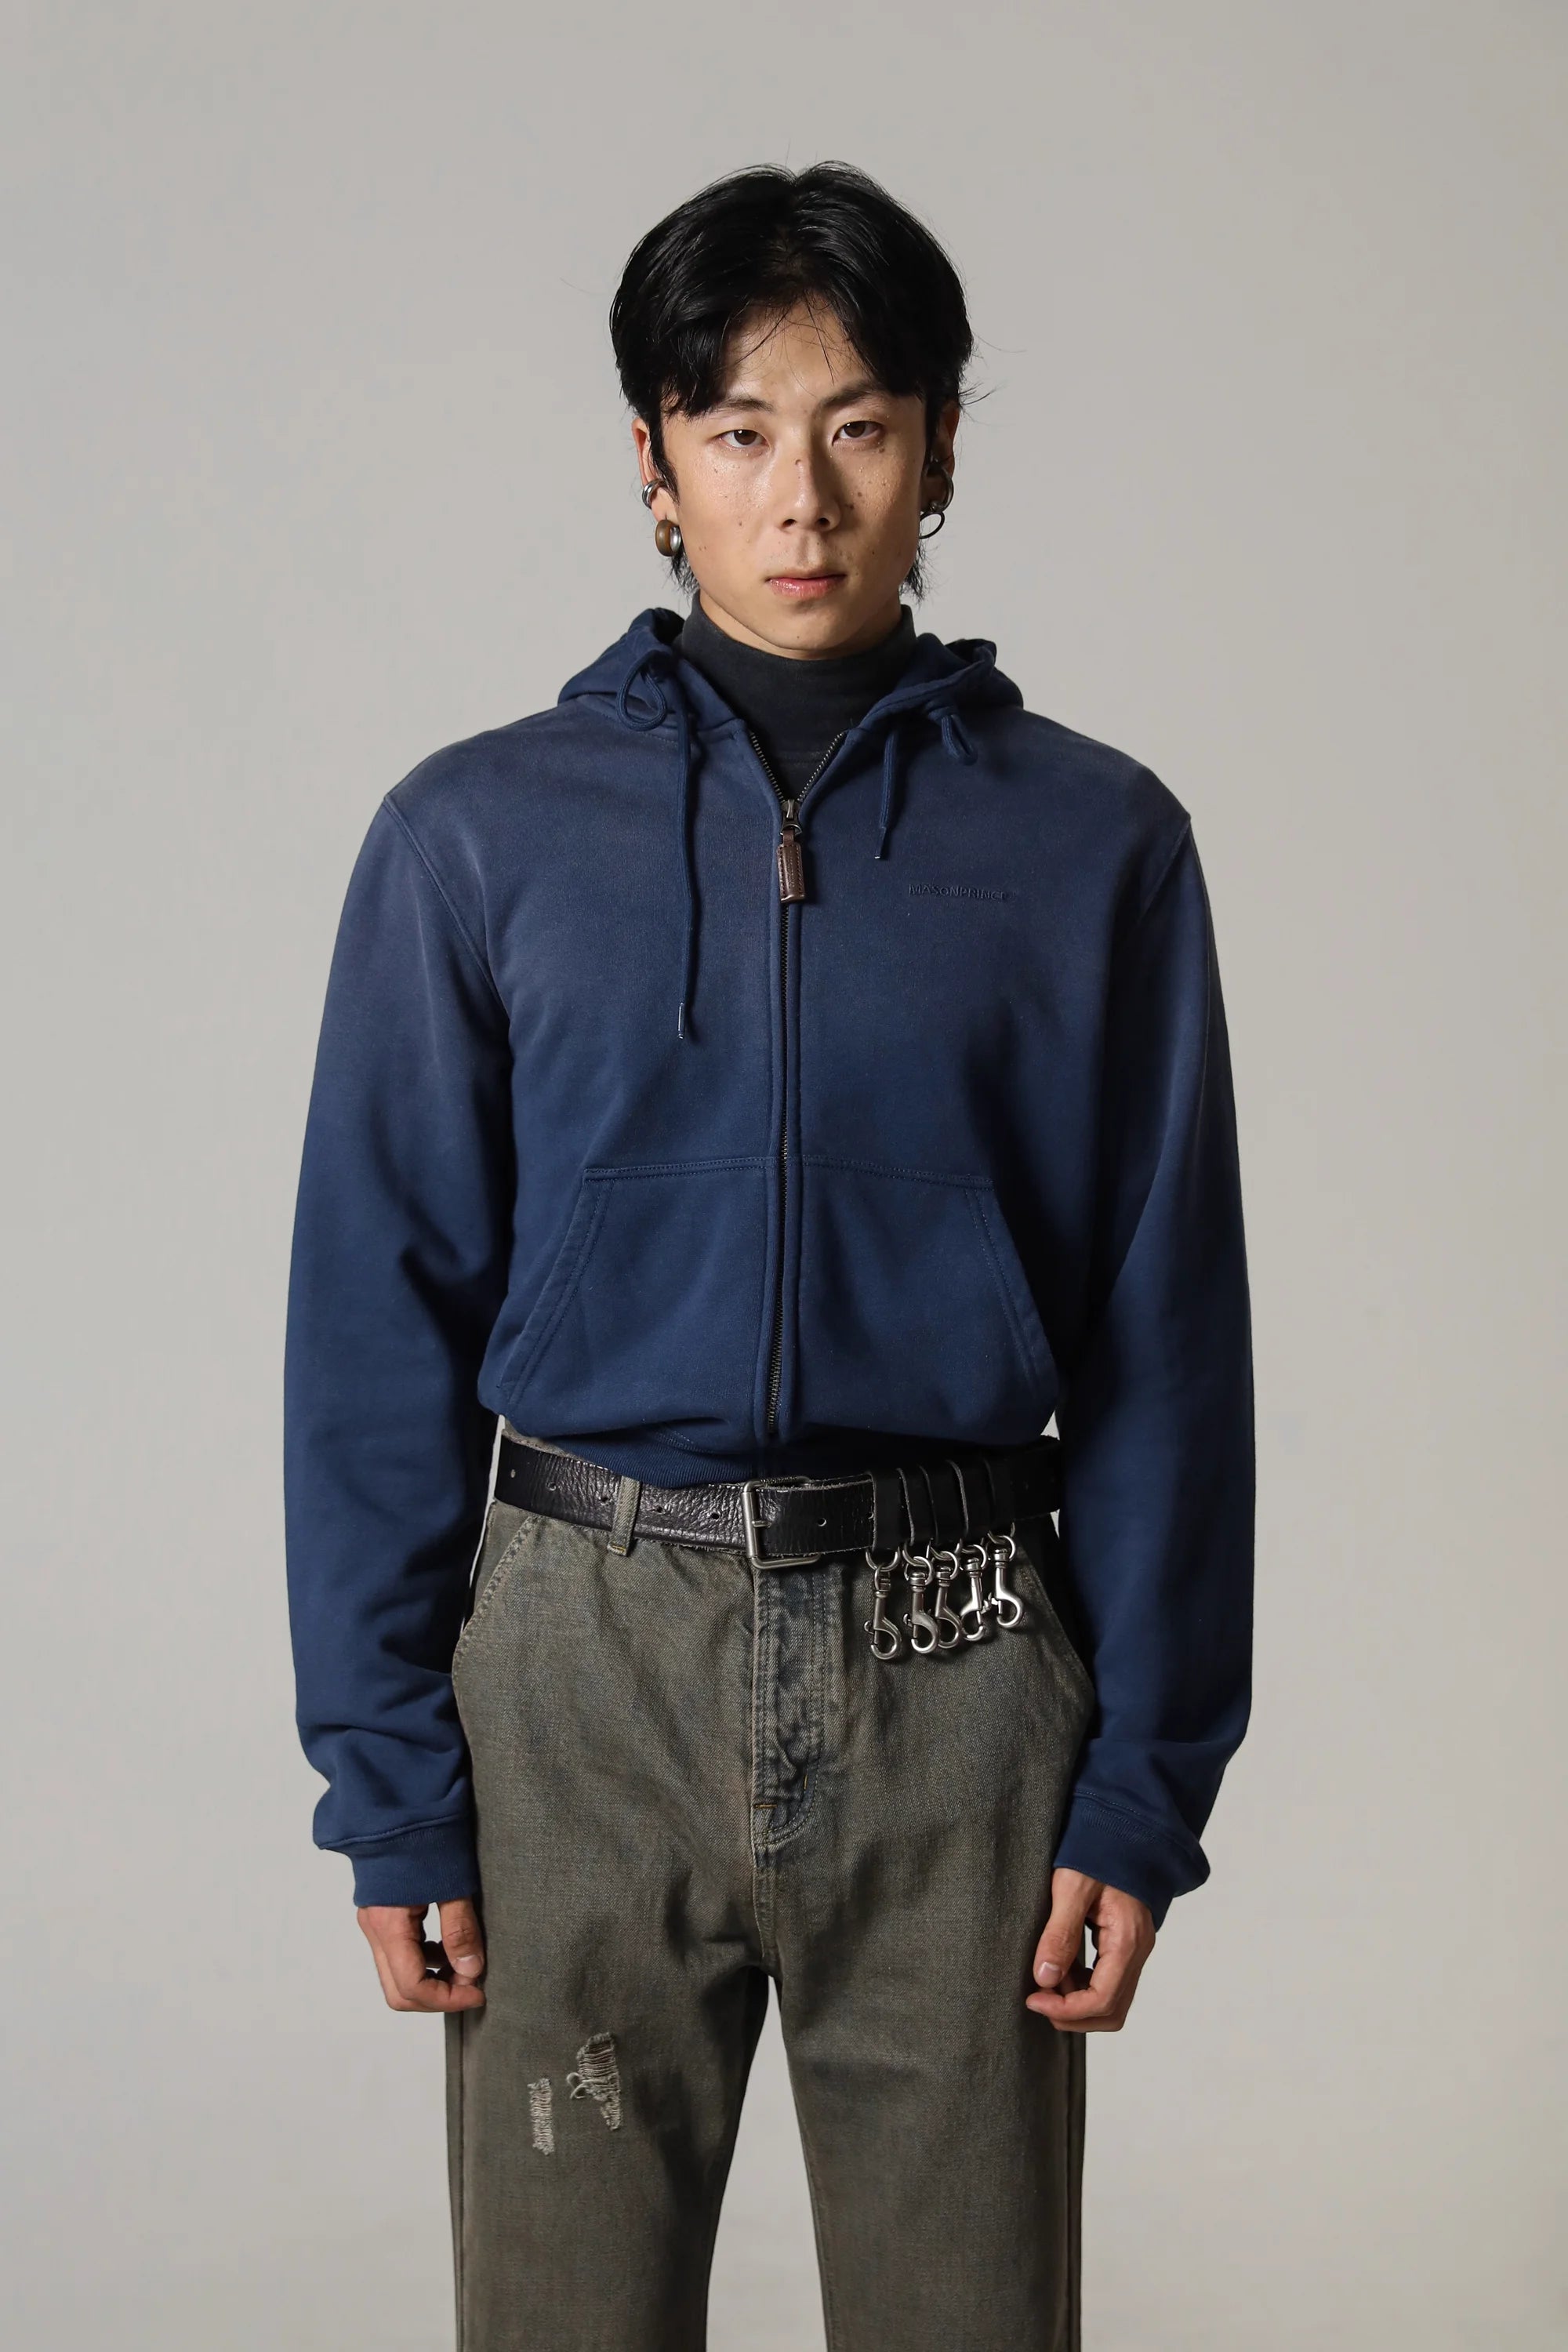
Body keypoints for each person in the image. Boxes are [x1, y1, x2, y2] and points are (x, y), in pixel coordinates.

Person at [284, 159, 1254, 2351]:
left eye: (858, 427)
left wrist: (1145, 1783)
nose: (799, 498)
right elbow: (374, 1326)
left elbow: (1168, 1337)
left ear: (939, 449)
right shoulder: (475, 837)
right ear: (653, 464)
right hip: (576, 1678)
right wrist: (391, 1787)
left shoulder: (1097, 845)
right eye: (736, 432)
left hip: (962, 1660)